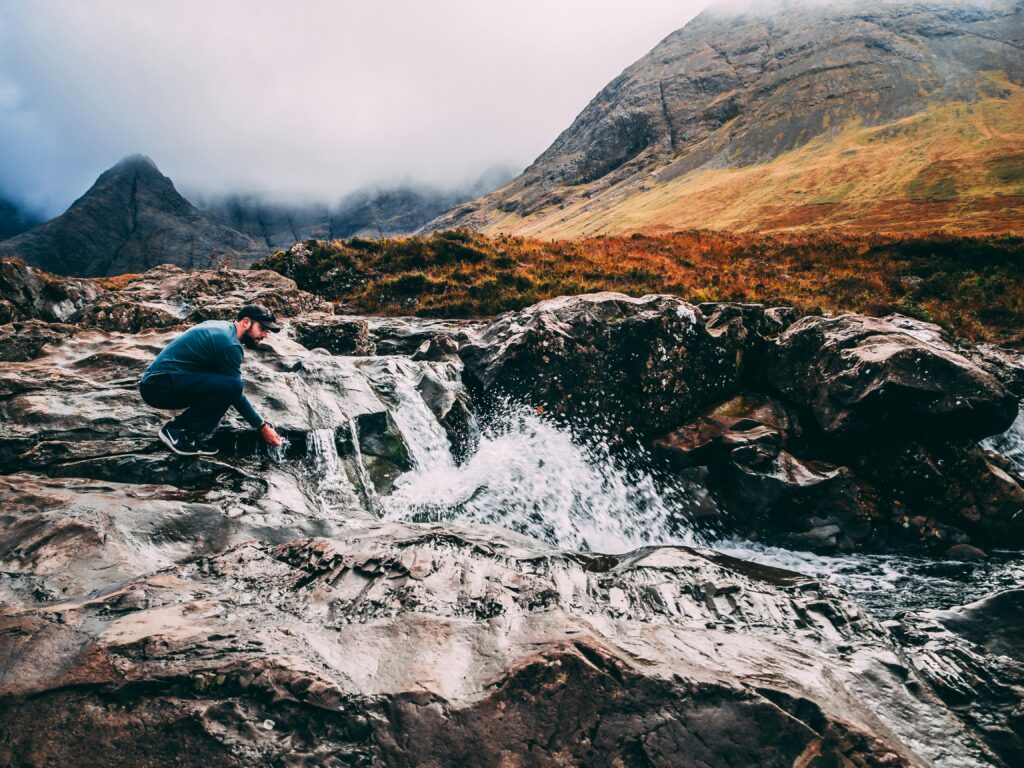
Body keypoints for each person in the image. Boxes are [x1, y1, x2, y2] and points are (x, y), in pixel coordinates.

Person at [139, 304, 285, 456]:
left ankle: (190, 435)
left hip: (156, 383)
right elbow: (234, 391)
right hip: (158, 387)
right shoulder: (229, 345)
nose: (265, 335)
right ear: (246, 322)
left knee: (226, 387)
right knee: (233, 386)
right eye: (262, 329)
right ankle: (177, 432)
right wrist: (262, 426)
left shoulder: (223, 328)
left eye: (267, 331)